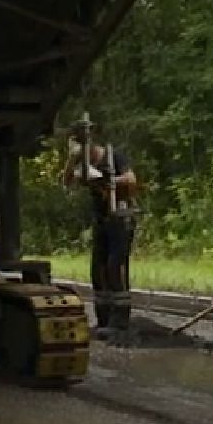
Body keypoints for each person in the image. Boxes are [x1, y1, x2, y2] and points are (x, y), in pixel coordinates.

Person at [64, 114, 137, 337]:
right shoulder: (81, 164)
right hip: (101, 219)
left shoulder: (112, 157)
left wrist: (109, 182)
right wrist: (71, 161)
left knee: (116, 266)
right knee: (99, 269)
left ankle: (120, 321)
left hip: (119, 216)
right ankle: (103, 318)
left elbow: (132, 180)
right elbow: (67, 182)